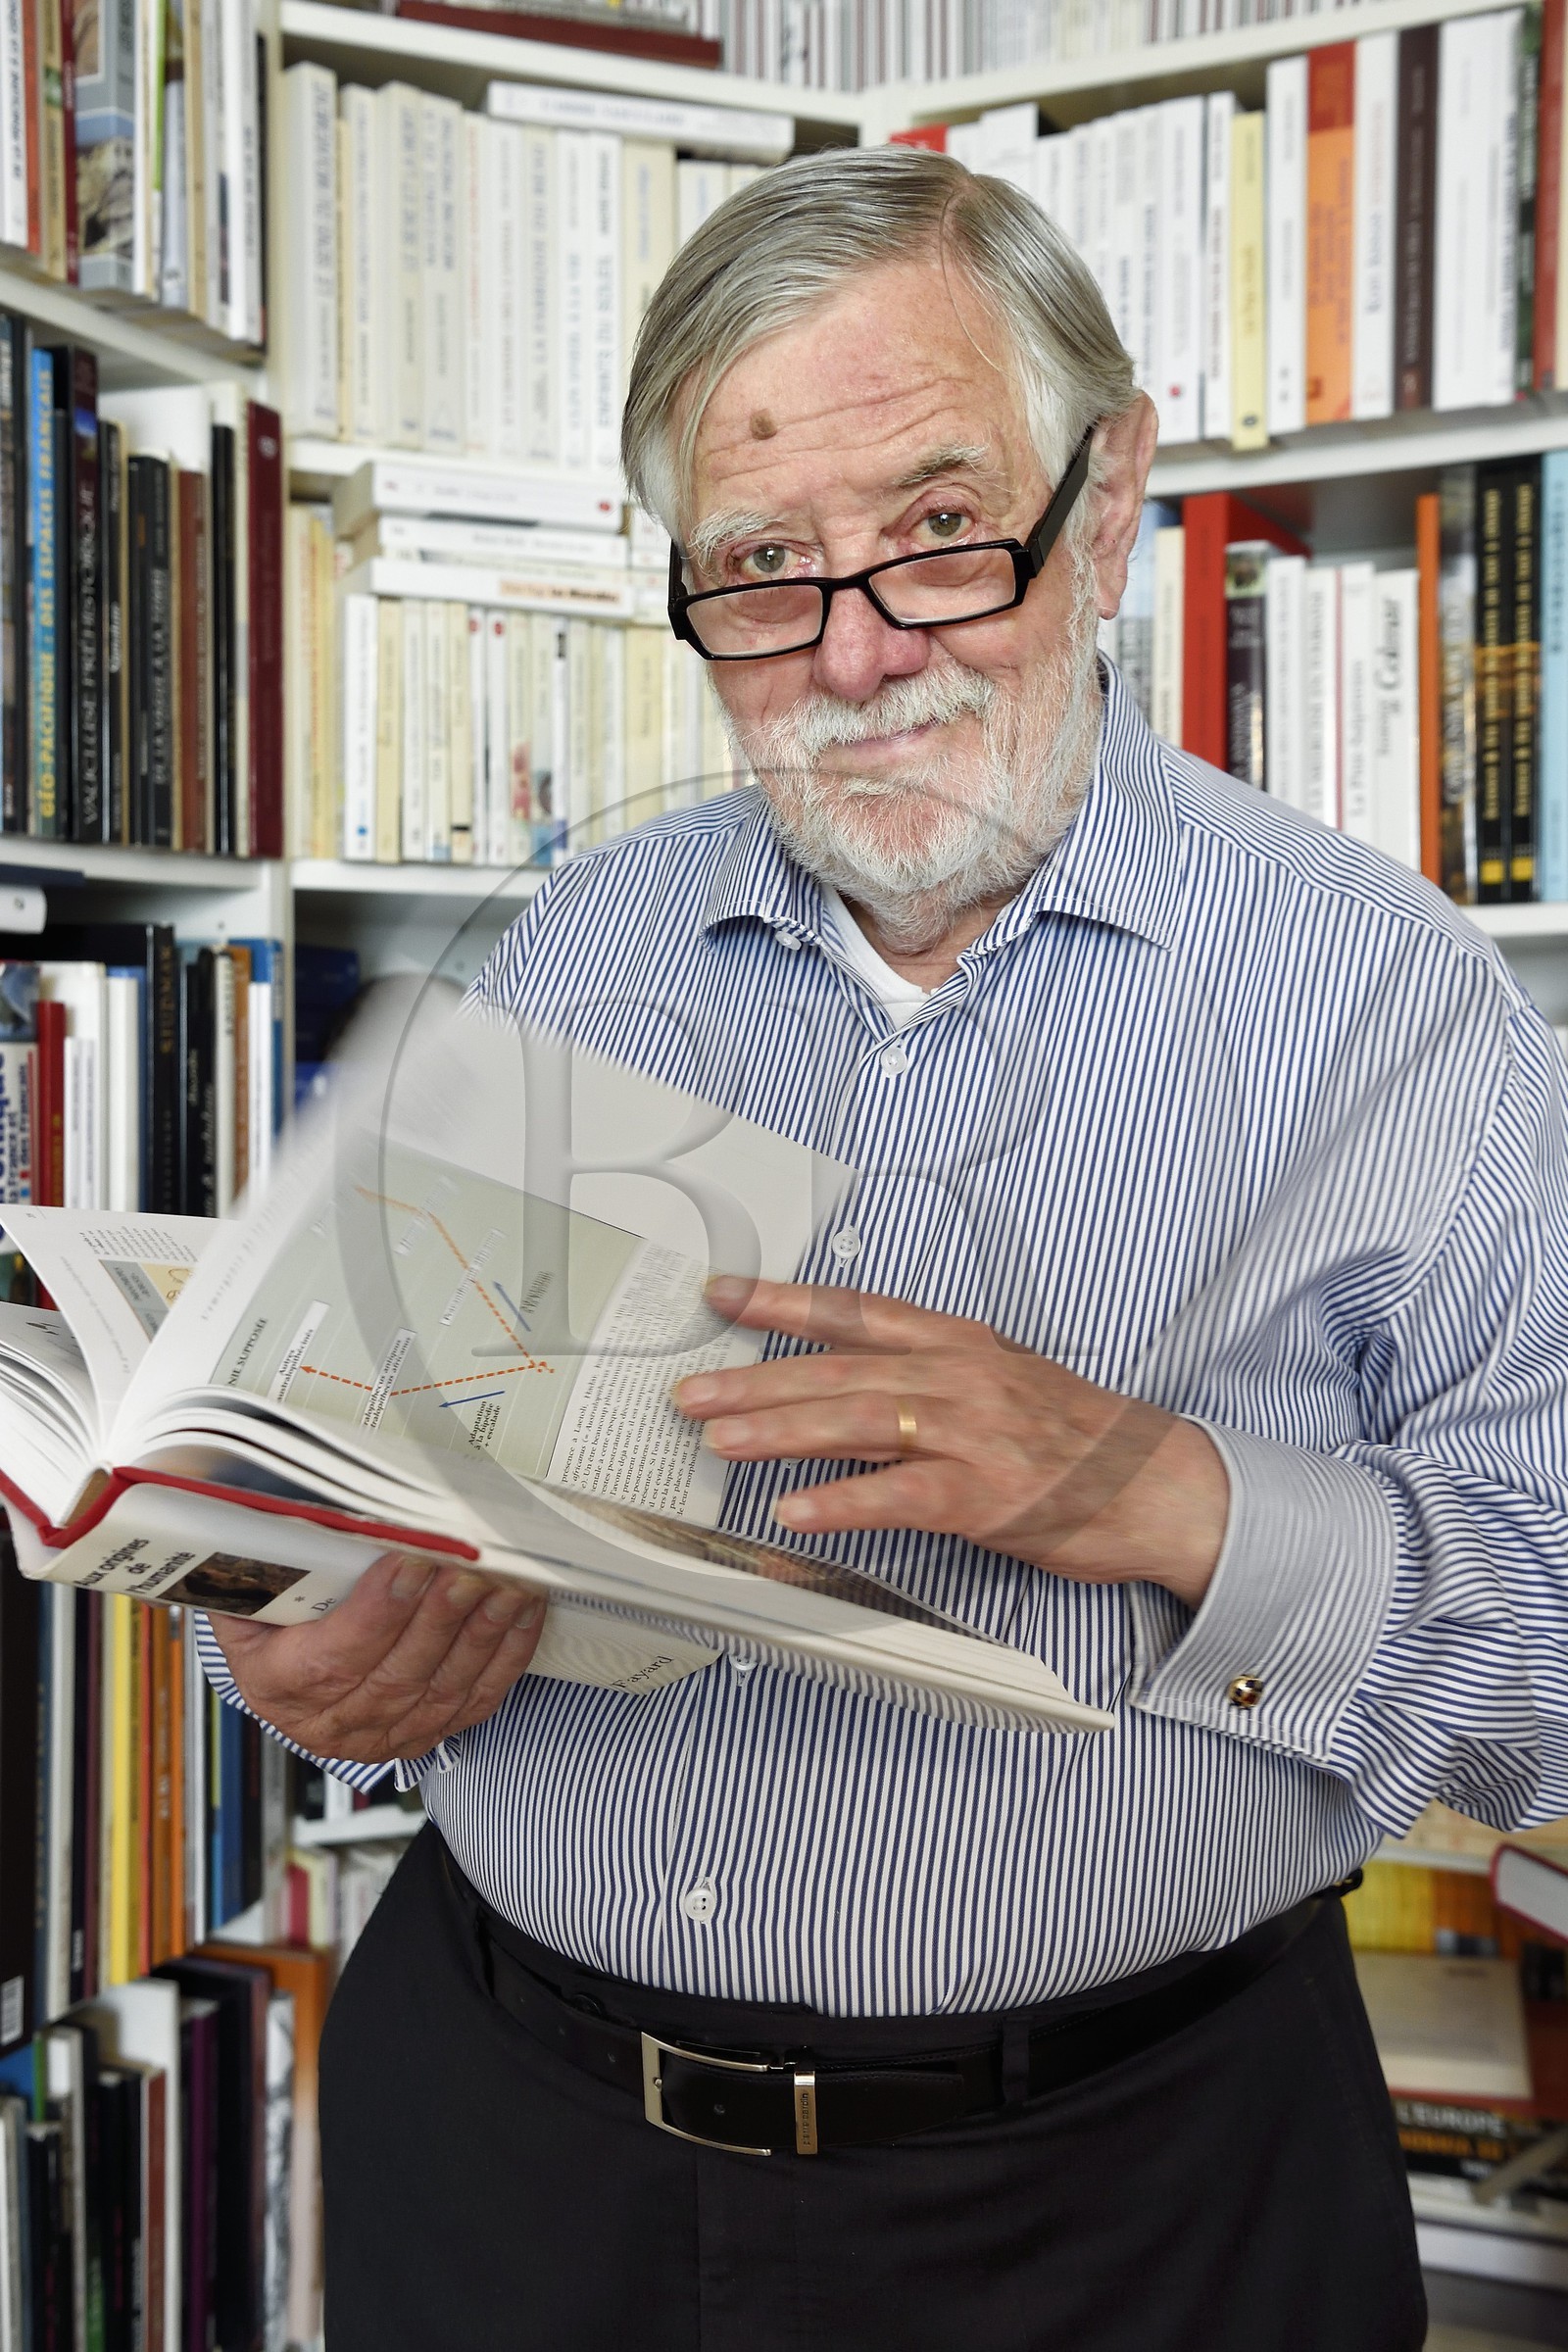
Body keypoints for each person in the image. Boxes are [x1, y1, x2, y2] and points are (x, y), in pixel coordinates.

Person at [204, 147, 1568, 2350]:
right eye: (760, 567)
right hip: (518, 2149)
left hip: (1137, 2205)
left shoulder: (1389, 1001)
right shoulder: (567, 954)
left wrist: (1162, 1498)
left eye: (938, 533)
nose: (850, 653)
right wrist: (306, 1657)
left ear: (1103, 504)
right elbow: (343, 1479)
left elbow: (1552, 1664)